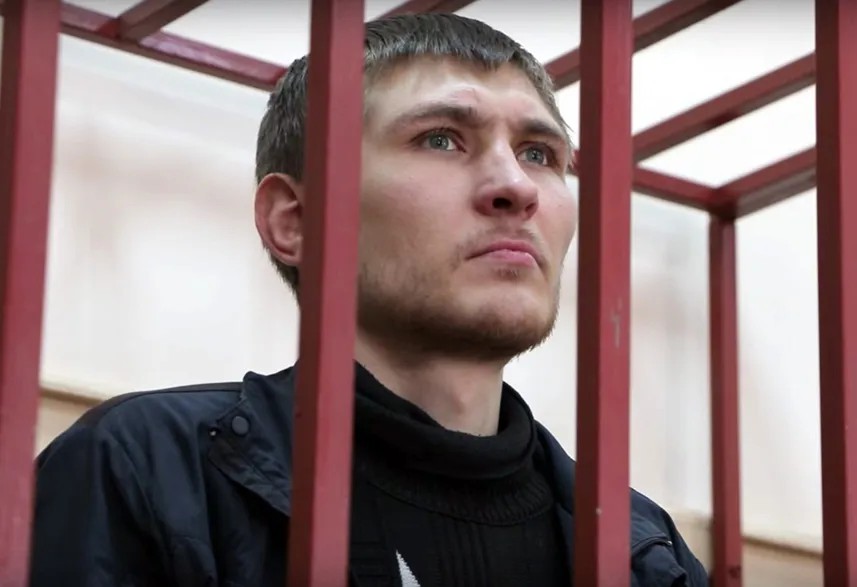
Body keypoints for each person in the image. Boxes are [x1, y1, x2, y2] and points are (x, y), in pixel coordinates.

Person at [29, 13, 708, 587]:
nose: (516, 186)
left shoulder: (645, 554)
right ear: (296, 221)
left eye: (539, 153)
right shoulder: (149, 471)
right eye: (440, 138)